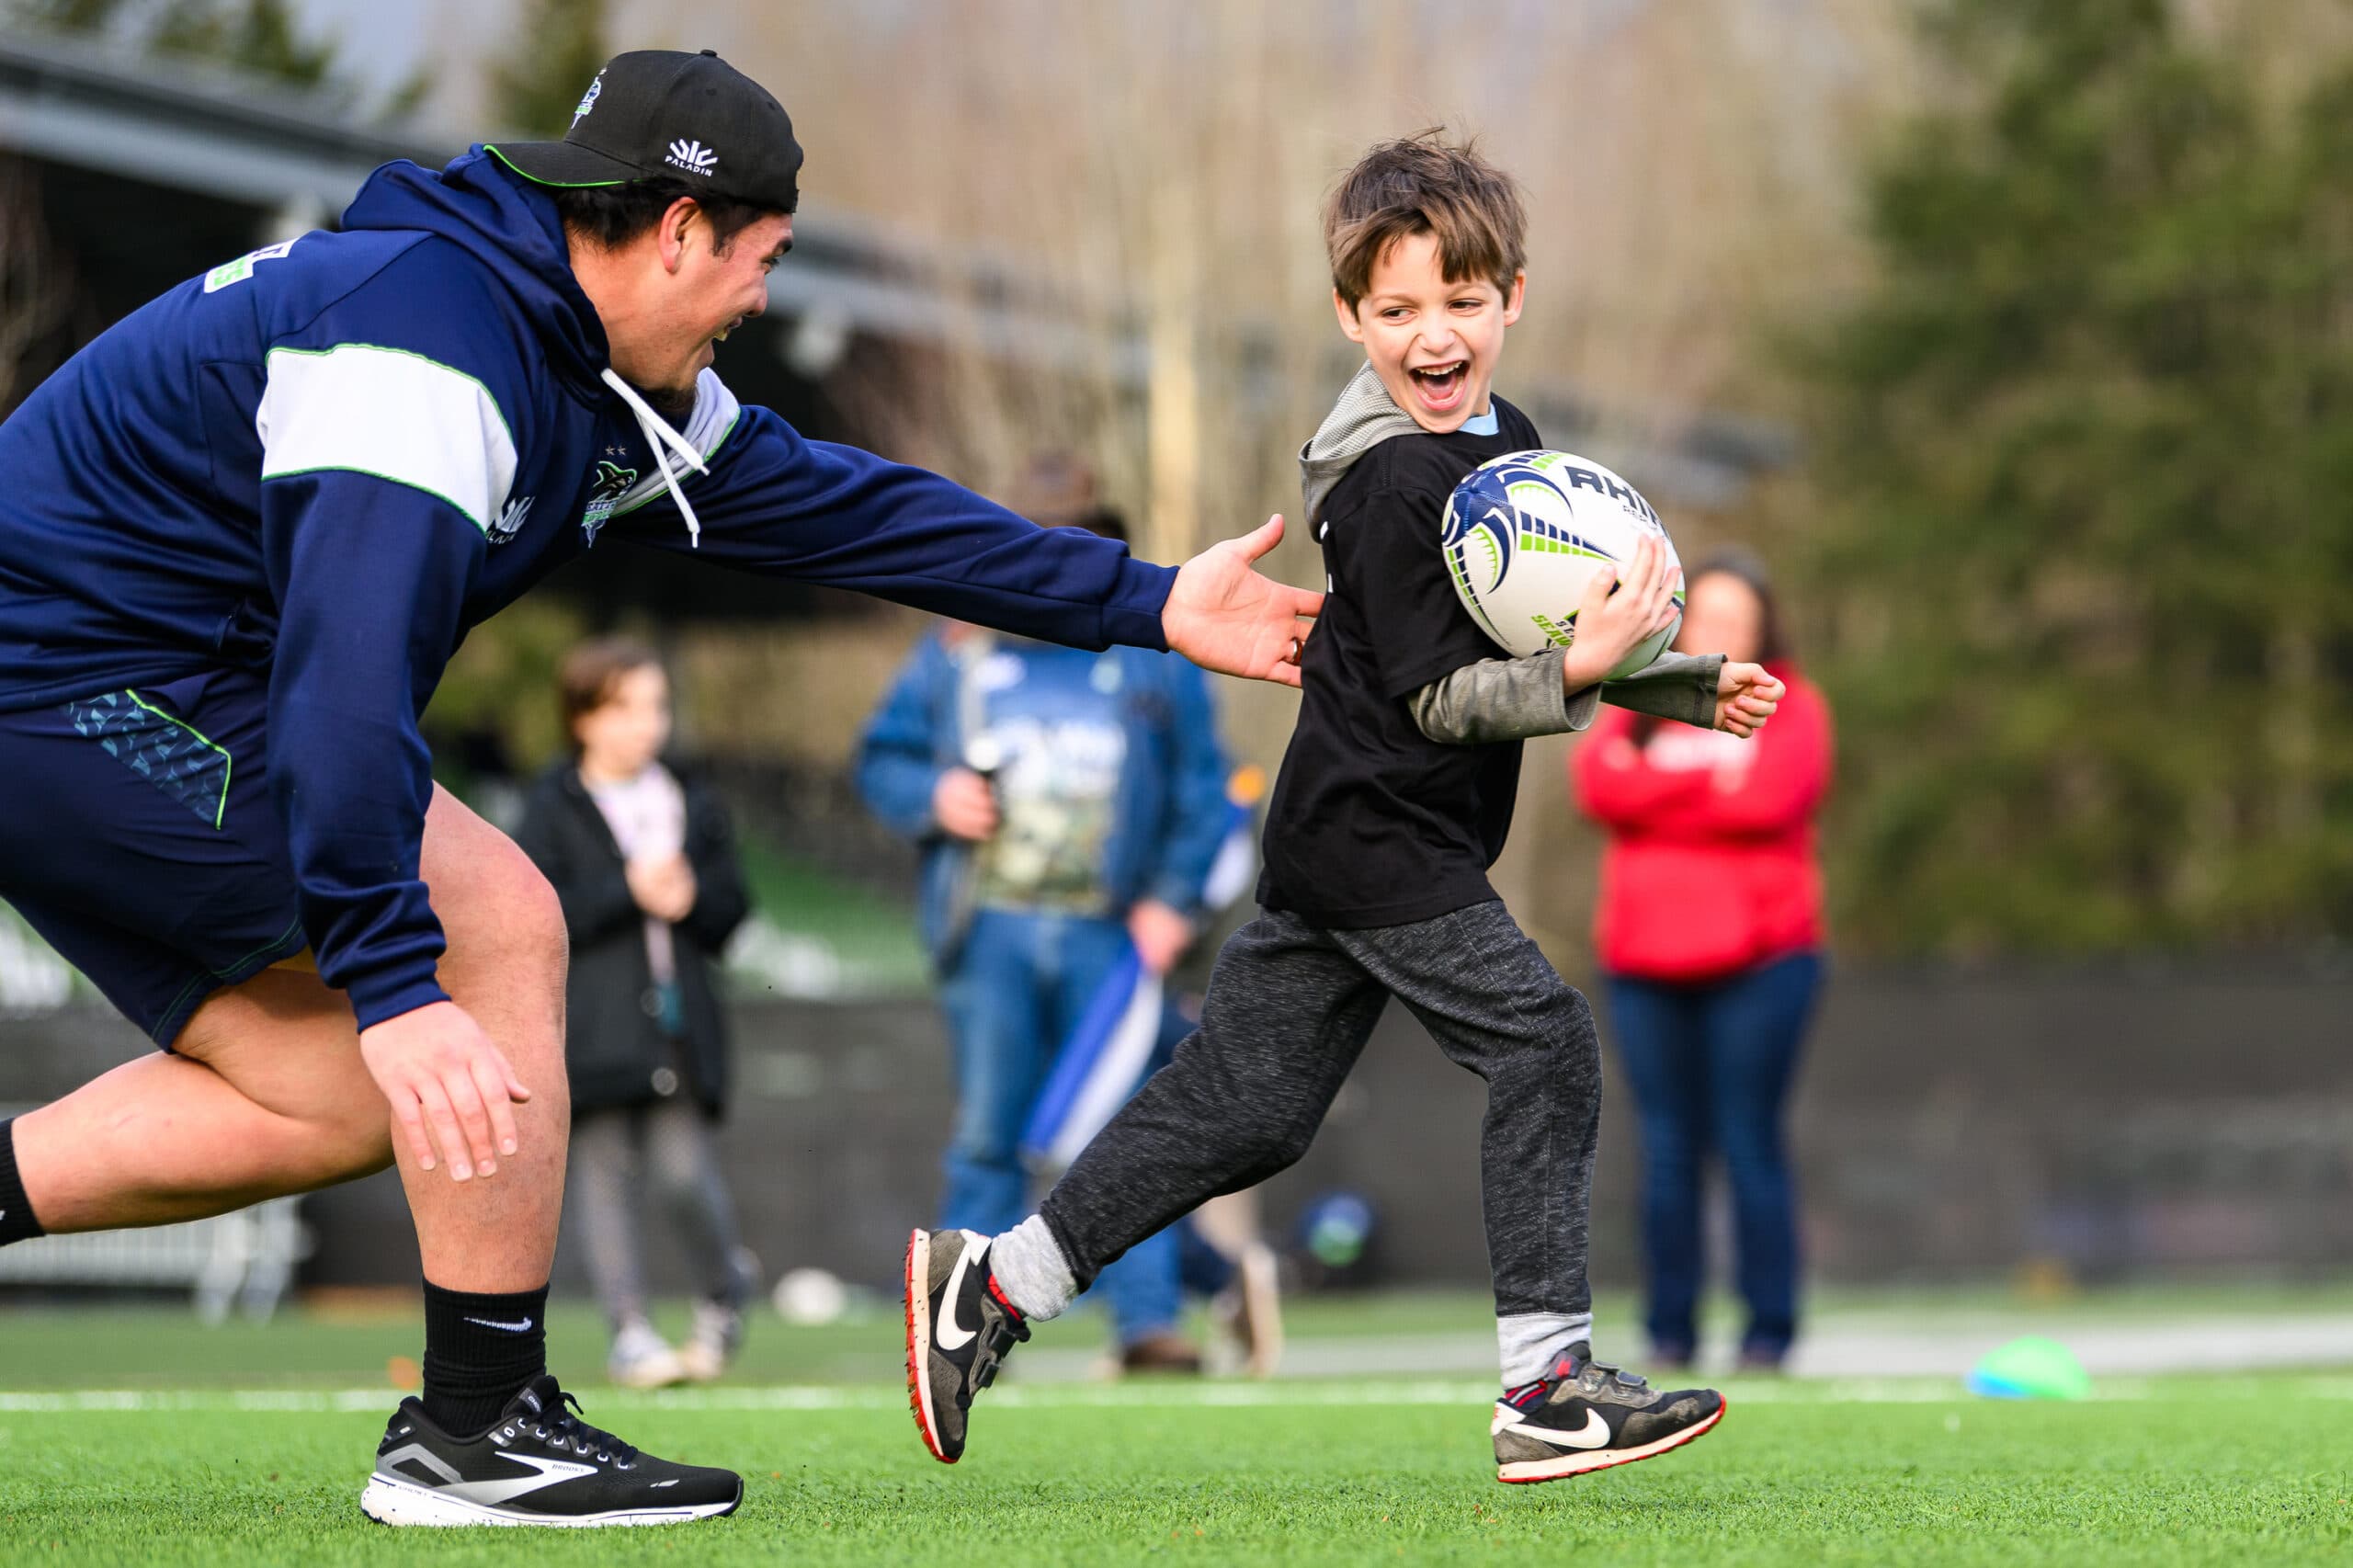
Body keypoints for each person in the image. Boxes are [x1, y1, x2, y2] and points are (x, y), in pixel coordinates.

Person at [0, 48, 1318, 1528]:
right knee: (498, 927)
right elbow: (340, 688)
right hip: (55, 682)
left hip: (133, 684)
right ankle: (476, 1423)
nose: (763, 298)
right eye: (761, 259)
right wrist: (394, 974)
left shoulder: (589, 372)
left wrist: (1148, 601)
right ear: (681, 234)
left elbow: (846, 508)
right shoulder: (429, 345)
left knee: (336, 1098)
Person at [903, 131, 1784, 1485]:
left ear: (1514, 299)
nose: (1435, 335)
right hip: (1381, 835)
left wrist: (1670, 682)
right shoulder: (1387, 485)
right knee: (1543, 1042)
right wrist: (1602, 673)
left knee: (1244, 1110)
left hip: (1348, 835)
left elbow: (1543, 629)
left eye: (1462, 303)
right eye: (1398, 311)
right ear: (1349, 318)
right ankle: (1546, 1385)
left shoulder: (1512, 447)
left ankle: (993, 1287)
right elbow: (1442, 696)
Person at [857, 470, 1237, 1373]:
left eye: (1086, 542)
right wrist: (932, 795)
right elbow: (883, 758)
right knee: (991, 1130)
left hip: (1113, 934)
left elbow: (1203, 791)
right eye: (1046, 543)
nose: (1066, 561)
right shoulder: (957, 651)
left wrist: (1172, 902)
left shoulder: (1152, 652)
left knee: (1131, 1131)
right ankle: (961, 1329)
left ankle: (1147, 1326)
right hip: (987, 928)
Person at [1571, 551, 1831, 1373]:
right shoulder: (1636, 692)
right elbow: (1598, 788)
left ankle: (1769, 1331)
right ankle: (1670, 1333)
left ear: (1762, 627)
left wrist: (1657, 789)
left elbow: (1771, 799)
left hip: (1764, 965)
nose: (1717, 630)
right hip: (1645, 967)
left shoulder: (1790, 703)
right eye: (1705, 614)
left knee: (1750, 1141)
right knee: (1668, 1150)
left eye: (1735, 616)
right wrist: (1708, 786)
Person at [514, 639, 756, 1389]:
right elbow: (537, 912)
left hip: (677, 1028)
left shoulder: (692, 799)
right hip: (590, 1031)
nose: (643, 725)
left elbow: (731, 908)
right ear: (582, 718)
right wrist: (630, 889)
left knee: (686, 1176)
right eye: (622, 708)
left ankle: (724, 1293)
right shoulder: (550, 807)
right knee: (603, 1179)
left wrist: (692, 900)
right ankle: (630, 1333)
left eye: (655, 707)